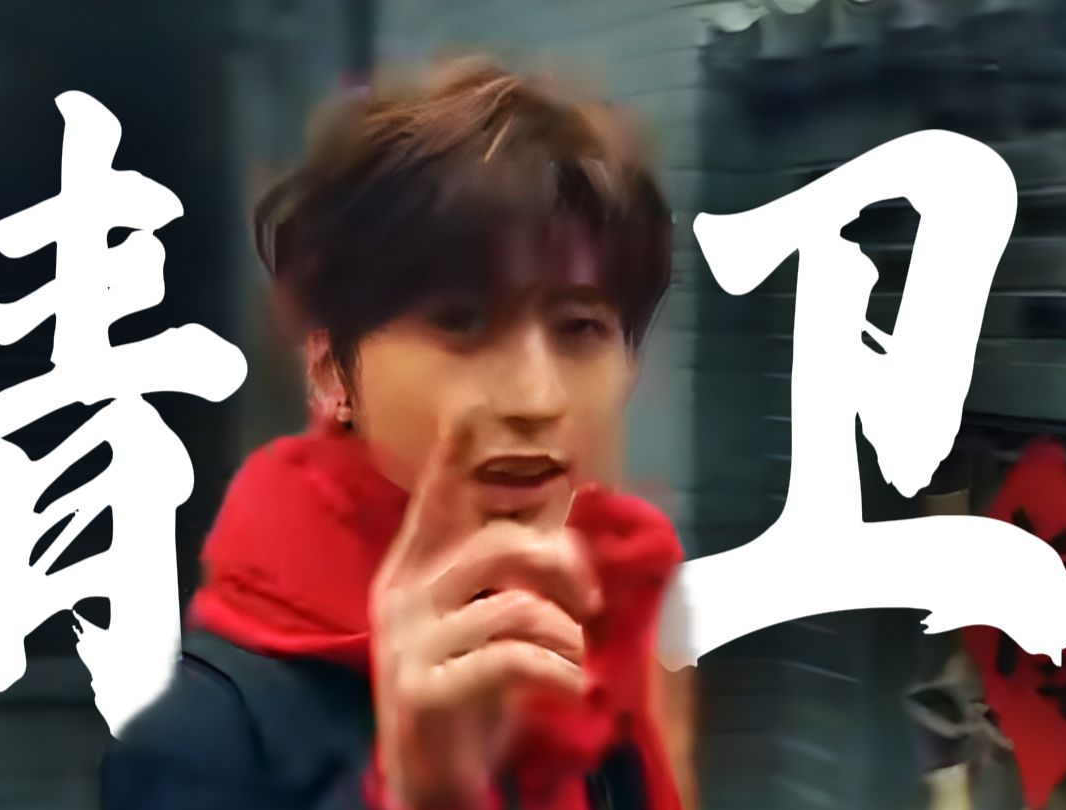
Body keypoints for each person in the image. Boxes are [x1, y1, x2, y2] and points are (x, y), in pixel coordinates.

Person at [101, 56, 685, 810]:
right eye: (462, 324)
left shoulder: (604, 627)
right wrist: (414, 791)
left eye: (579, 329)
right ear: (332, 373)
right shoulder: (203, 737)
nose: (537, 399)